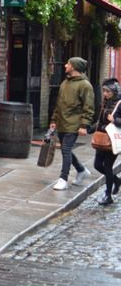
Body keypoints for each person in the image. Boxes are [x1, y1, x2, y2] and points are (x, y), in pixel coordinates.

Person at [50, 56, 94, 191]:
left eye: (68, 64)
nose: (65, 65)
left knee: (66, 150)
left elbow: (89, 107)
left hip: (74, 123)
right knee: (65, 149)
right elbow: (59, 104)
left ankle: (63, 179)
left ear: (74, 67)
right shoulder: (65, 83)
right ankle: (81, 170)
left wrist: (84, 125)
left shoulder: (85, 85)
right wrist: (53, 120)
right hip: (62, 122)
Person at [92, 78, 121, 205]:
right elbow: (100, 121)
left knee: (108, 166)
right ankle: (116, 180)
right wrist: (89, 129)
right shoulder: (105, 103)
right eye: (104, 91)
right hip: (102, 138)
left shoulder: (119, 104)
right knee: (97, 165)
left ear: (114, 91)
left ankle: (108, 195)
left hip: (112, 140)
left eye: (107, 91)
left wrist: (114, 120)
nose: (105, 94)